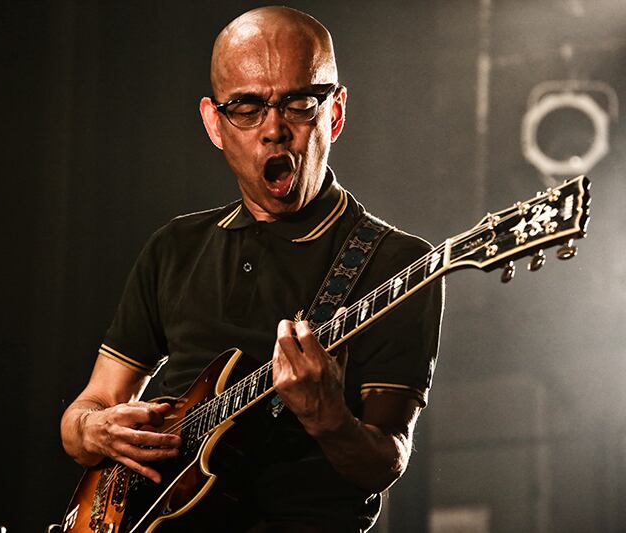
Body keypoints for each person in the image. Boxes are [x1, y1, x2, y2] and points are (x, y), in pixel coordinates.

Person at [61, 6, 443, 532]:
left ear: (334, 113)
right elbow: (90, 407)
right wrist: (94, 430)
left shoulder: (398, 264)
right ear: (214, 124)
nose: (273, 130)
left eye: (298, 103)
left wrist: (328, 418)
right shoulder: (175, 247)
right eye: (246, 107)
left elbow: (384, 462)